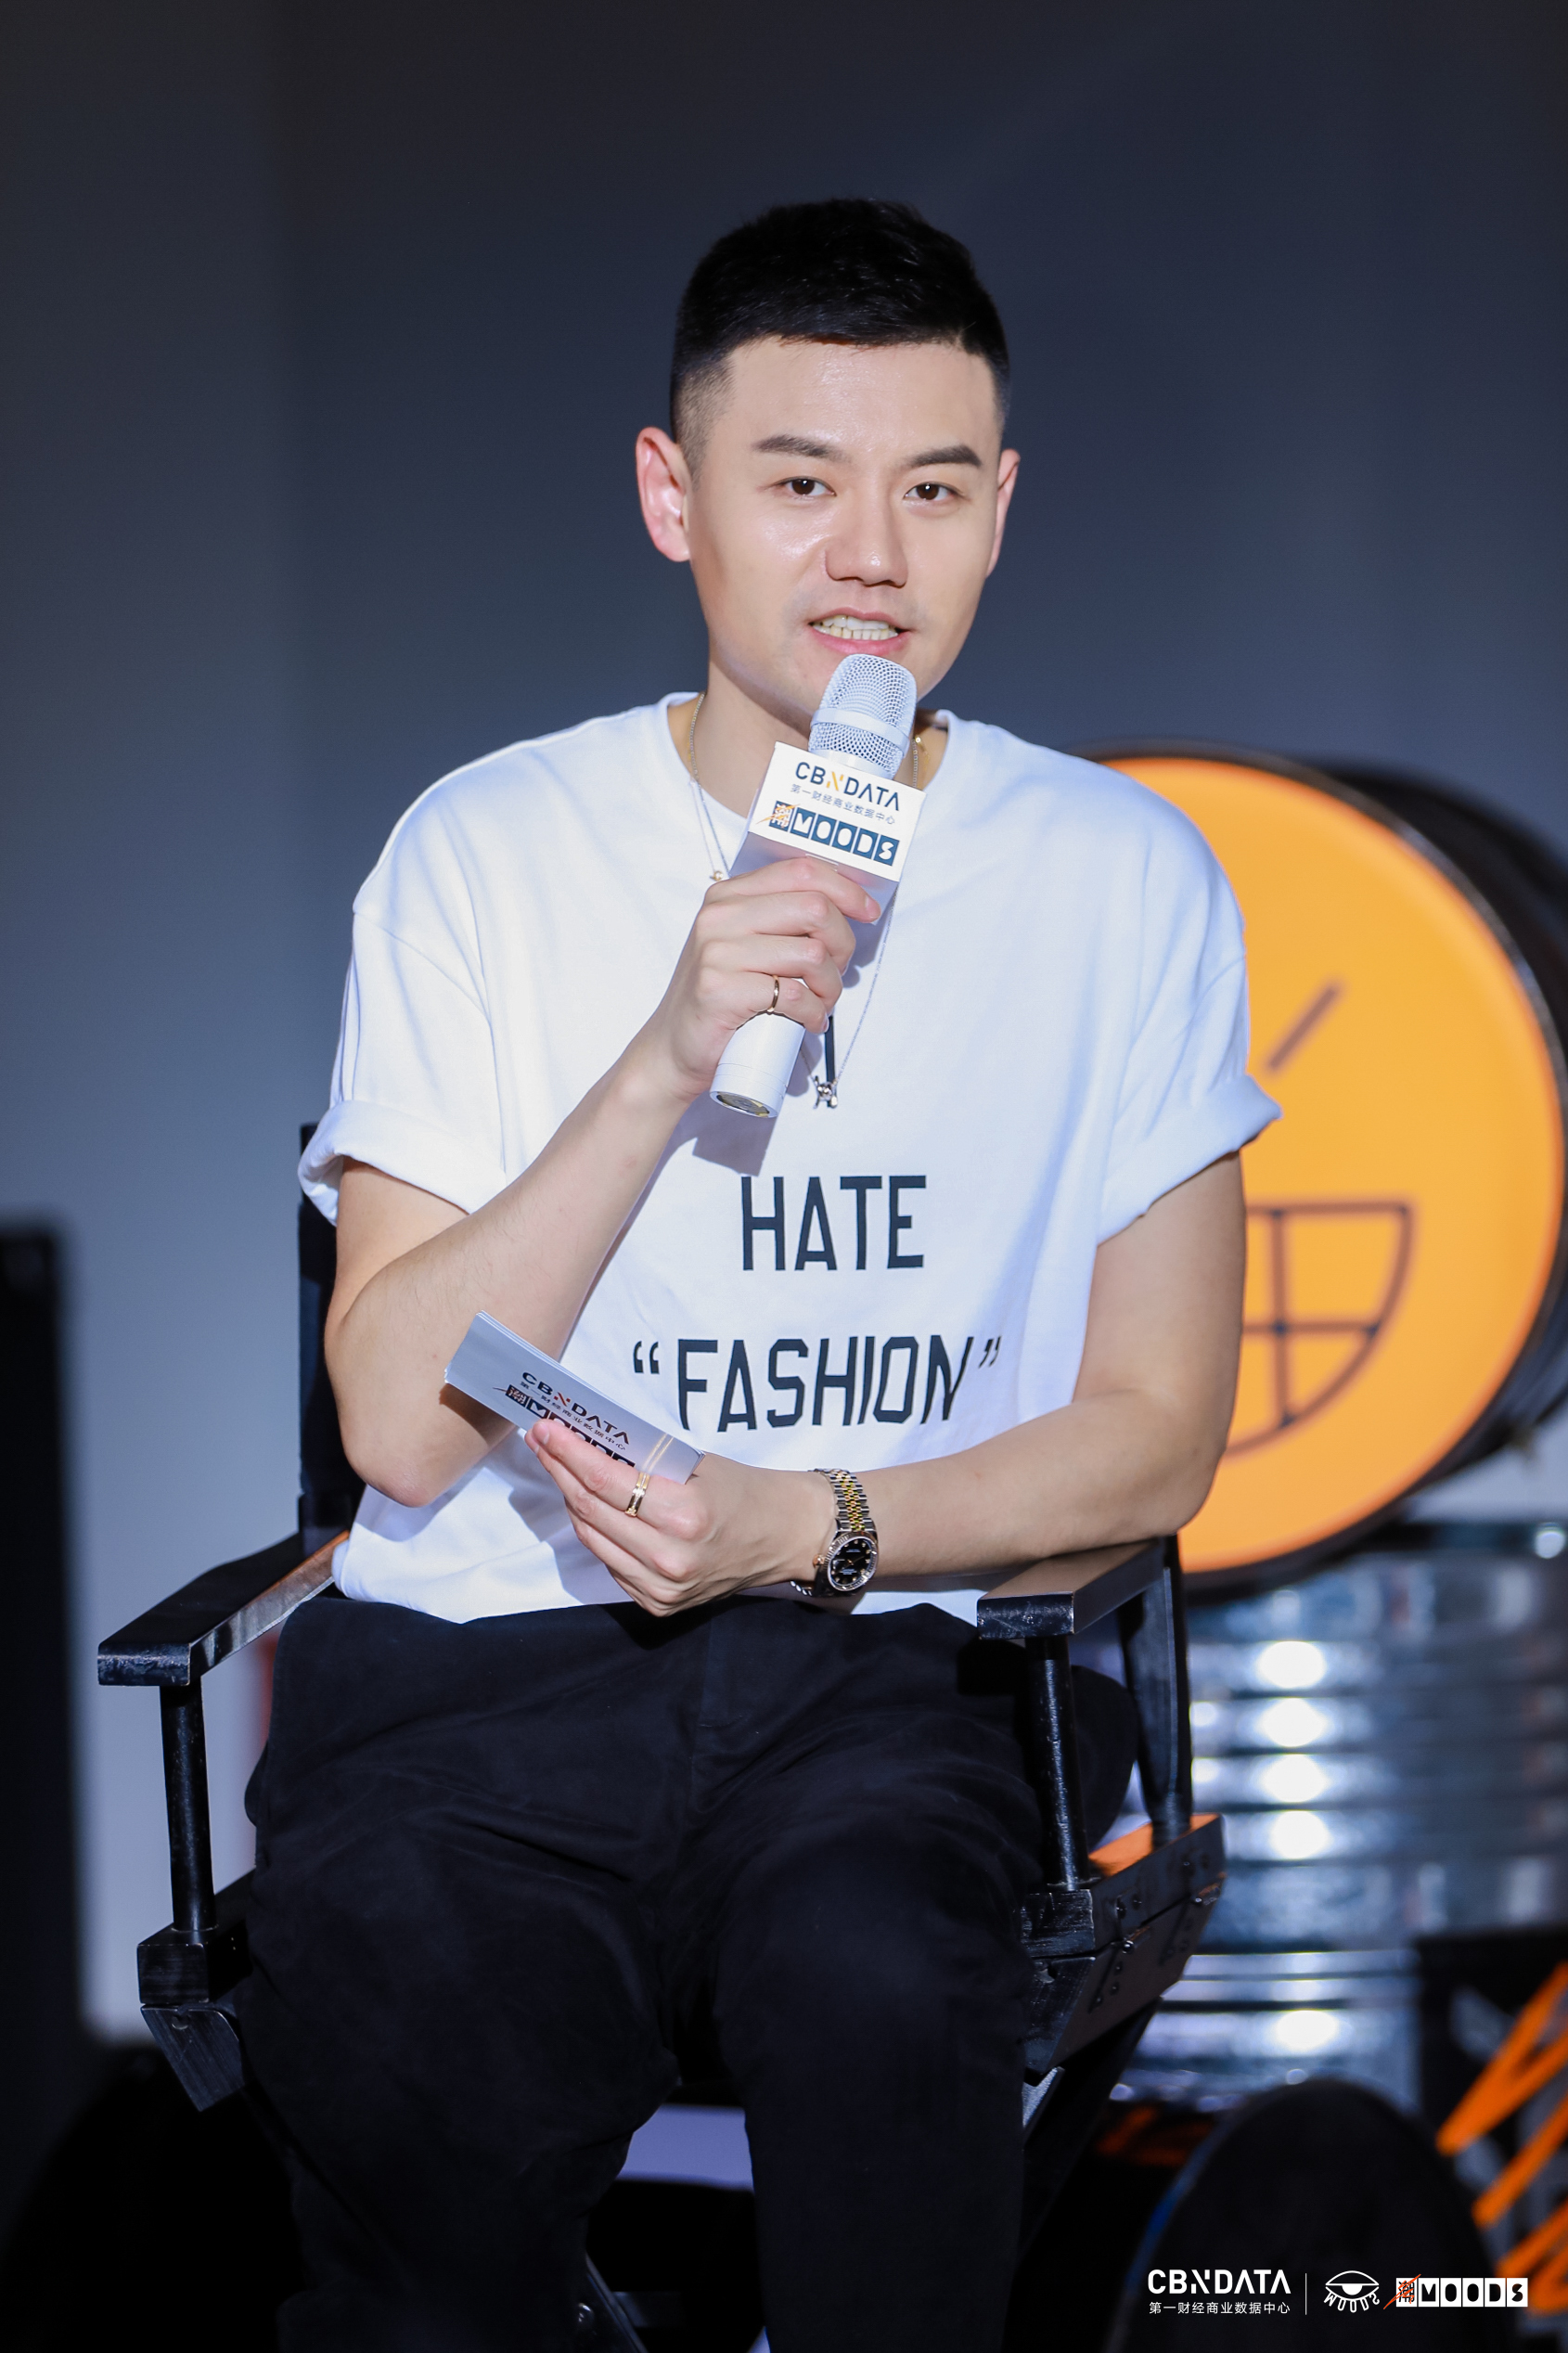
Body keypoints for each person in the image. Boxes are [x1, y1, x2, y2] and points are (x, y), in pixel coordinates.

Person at [239, 198, 1278, 2352]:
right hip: (484, 1675)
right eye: (799, 482)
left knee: (878, 1988)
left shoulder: (1120, 877)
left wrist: (800, 1522)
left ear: (1000, 512)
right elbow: (398, 1423)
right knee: (413, 2082)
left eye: (931, 490)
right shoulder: (485, 849)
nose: (868, 556)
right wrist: (668, 1047)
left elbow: (1156, 1432)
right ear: (672, 494)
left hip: (890, 1672)